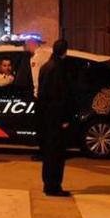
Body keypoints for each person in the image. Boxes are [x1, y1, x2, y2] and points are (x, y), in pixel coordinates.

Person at [38, 39, 74, 197]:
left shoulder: (45, 67)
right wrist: (64, 119)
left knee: (48, 153)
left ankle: (47, 184)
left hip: (45, 117)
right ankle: (54, 186)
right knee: (57, 154)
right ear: (64, 51)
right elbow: (61, 97)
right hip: (56, 118)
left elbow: (42, 94)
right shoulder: (59, 69)